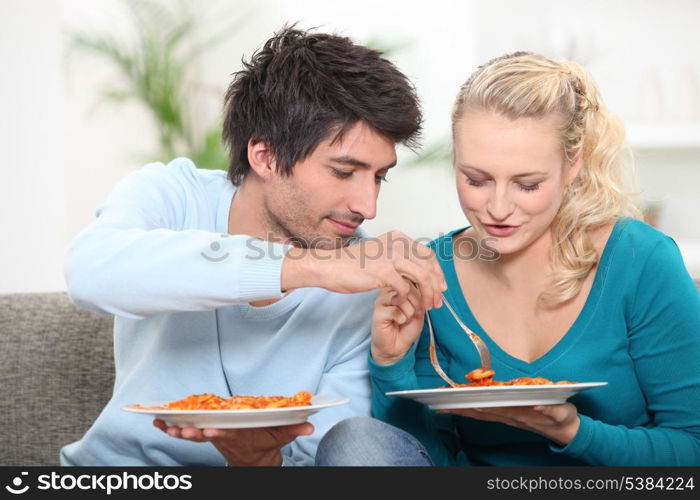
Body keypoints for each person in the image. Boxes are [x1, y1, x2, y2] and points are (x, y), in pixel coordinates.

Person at [60, 26, 447, 467]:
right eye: (343, 172)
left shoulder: (366, 286)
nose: (368, 206)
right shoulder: (174, 195)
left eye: (378, 177)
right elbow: (92, 272)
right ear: (263, 156)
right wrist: (316, 269)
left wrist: (257, 461)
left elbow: (326, 457)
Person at [316, 51, 700, 466]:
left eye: (527, 184)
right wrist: (392, 364)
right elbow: (421, 459)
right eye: (476, 180)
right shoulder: (433, 270)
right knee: (355, 440)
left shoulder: (638, 259)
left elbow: (691, 446)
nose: (498, 209)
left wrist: (570, 431)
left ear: (572, 166)